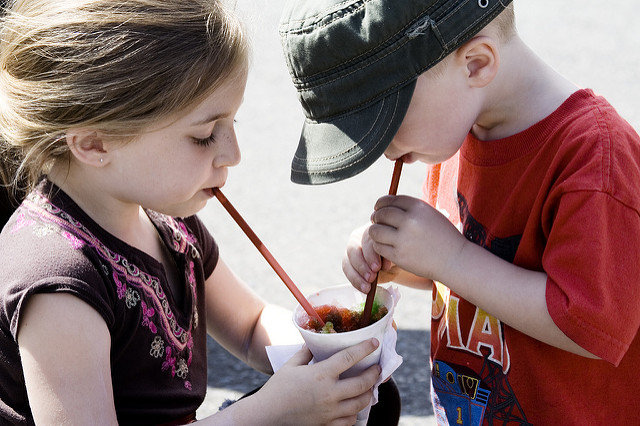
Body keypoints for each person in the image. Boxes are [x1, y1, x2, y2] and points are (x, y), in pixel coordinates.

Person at [0, 1, 384, 424]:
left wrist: (335, 349)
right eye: (204, 136)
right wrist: (272, 410)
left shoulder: (167, 222)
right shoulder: (59, 285)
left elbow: (252, 325)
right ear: (94, 143)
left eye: (232, 125)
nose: (232, 155)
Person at [280, 0, 640, 424]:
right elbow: (477, 272)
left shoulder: (594, 158)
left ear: (475, 64)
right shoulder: (453, 131)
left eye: (387, 123)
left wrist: (450, 257)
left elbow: (588, 322)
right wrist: (405, 259)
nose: (383, 151)